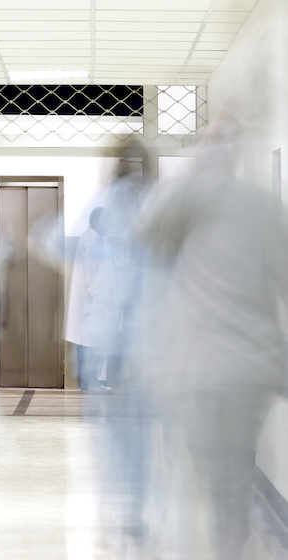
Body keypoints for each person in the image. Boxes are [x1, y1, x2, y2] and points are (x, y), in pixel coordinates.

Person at [134, 127, 288, 560]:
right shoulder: (264, 206)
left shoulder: (187, 202)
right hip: (249, 367)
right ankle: (229, 544)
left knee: (209, 469)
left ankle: (220, 539)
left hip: (201, 368)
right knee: (233, 473)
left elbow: (146, 230)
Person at [65, 207, 120, 393]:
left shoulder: (97, 240)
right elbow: (92, 277)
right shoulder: (90, 241)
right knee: (90, 345)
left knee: (95, 344)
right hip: (94, 306)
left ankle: (93, 382)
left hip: (99, 305)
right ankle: (89, 383)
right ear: (97, 221)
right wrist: (99, 302)